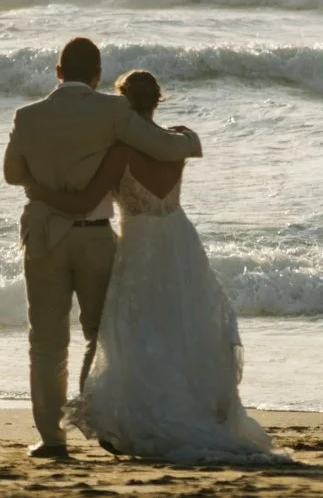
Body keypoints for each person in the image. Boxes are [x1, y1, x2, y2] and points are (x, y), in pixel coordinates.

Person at [23, 69, 284, 465]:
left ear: (122, 104)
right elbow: (188, 144)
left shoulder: (120, 151)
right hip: (179, 240)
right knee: (183, 326)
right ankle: (193, 408)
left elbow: (83, 202)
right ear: (157, 100)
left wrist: (36, 188)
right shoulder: (177, 141)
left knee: (136, 332)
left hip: (140, 245)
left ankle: (134, 418)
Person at [3, 37, 201, 459]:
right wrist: (189, 142)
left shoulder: (26, 115)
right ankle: (95, 416)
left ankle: (52, 439)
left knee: (46, 340)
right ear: (96, 76)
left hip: (42, 236)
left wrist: (42, 185)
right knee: (99, 332)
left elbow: (11, 173)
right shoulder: (112, 111)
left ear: (58, 72)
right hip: (93, 234)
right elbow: (160, 147)